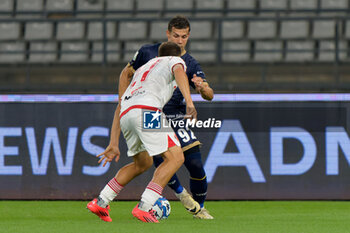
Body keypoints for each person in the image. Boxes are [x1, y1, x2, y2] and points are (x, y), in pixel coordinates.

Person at [87, 42, 197, 223]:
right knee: (176, 157)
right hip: (147, 110)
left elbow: (121, 104)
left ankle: (101, 201)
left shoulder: (143, 69)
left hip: (127, 112)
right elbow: (178, 70)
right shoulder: (175, 61)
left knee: (142, 163)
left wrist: (114, 142)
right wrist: (189, 102)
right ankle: (145, 206)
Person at [118, 15, 214, 219]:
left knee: (195, 163)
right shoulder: (147, 51)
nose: (179, 41)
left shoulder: (190, 62)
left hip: (175, 114)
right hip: (150, 112)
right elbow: (126, 73)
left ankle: (199, 207)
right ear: (167, 34)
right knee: (162, 158)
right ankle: (181, 195)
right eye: (176, 36)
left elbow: (209, 95)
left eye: (184, 37)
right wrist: (122, 100)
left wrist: (202, 88)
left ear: (188, 37)